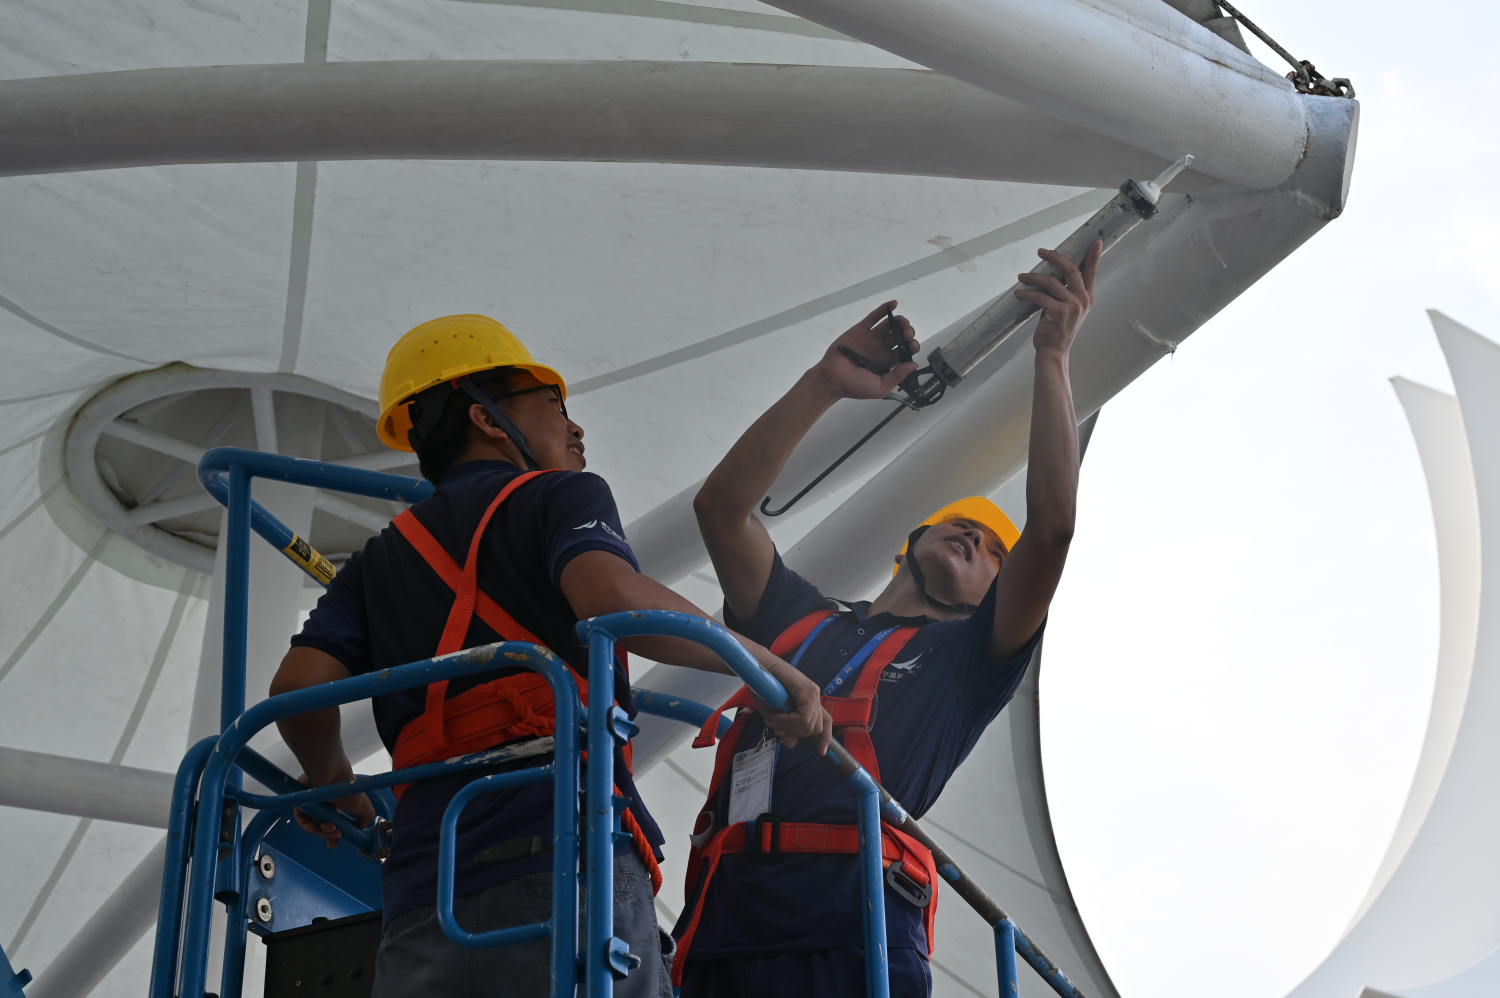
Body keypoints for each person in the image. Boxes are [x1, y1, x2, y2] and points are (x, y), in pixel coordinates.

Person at [268, 314, 830, 998]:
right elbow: (615, 599)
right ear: (487, 418)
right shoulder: (558, 495)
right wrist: (768, 666)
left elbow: (298, 689)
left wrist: (334, 777)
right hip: (563, 869)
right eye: (556, 405)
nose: (575, 429)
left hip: (421, 901)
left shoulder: (378, 560)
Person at [671, 242, 1102, 997]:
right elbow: (721, 509)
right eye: (961, 525)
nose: (977, 536)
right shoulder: (799, 620)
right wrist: (824, 384)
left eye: (996, 552)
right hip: (721, 925)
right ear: (910, 543)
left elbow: (1055, 528)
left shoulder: (968, 664)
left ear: (997, 594)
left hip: (850, 935)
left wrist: (1054, 354)